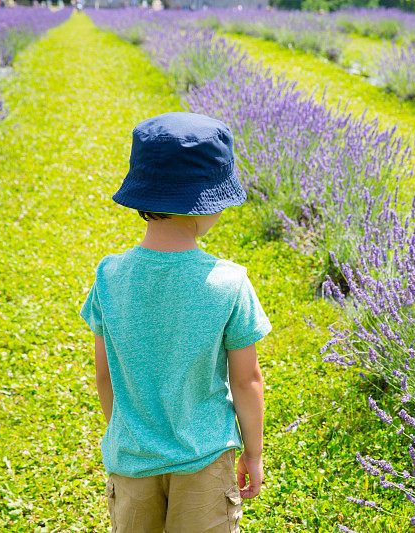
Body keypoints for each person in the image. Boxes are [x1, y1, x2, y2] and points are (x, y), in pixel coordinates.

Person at [80, 112, 271, 532]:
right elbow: (247, 381)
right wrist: (253, 454)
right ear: (211, 202)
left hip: (133, 461)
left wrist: (127, 435)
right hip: (204, 460)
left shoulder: (109, 276)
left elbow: (104, 376)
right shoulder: (229, 282)